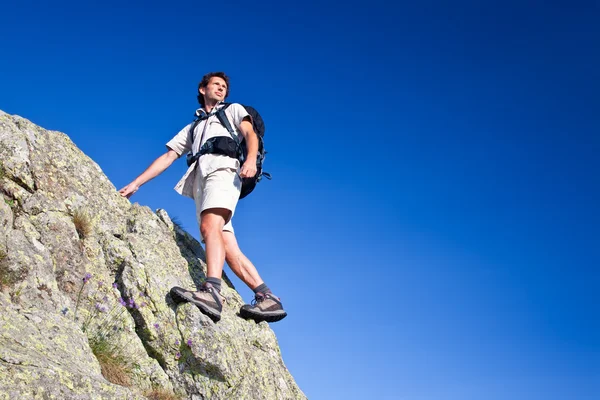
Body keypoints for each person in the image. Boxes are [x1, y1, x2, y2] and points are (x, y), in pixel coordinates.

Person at [119, 72, 286, 324]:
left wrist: (250, 159)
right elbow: (168, 157)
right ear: (202, 89)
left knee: (210, 227)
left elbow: (250, 134)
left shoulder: (232, 109)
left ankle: (211, 292)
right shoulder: (194, 127)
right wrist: (136, 183)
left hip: (224, 172)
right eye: (216, 85)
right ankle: (267, 297)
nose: (221, 89)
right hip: (201, 180)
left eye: (224, 87)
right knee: (229, 248)